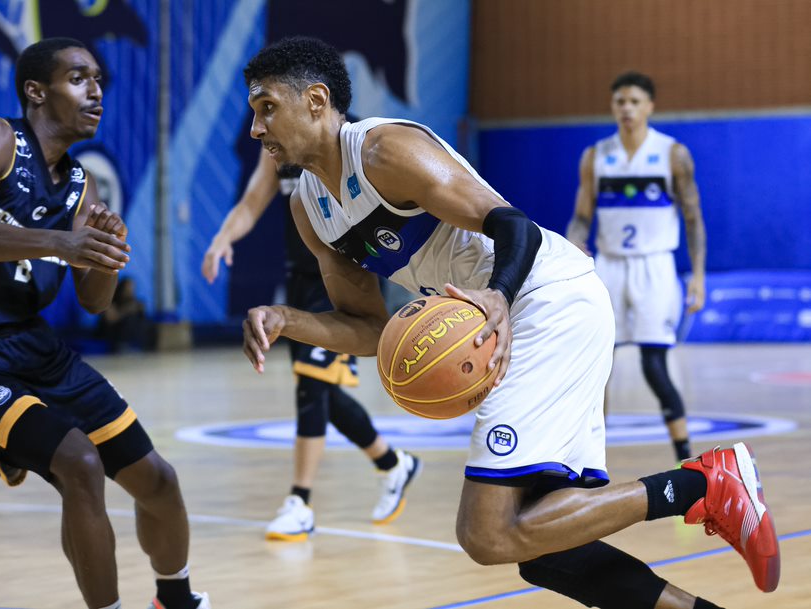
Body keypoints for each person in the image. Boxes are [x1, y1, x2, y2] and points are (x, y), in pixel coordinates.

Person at [240, 36, 779, 608]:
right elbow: (371, 330)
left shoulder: (383, 151)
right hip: (517, 316)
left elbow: (512, 225)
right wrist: (286, 319)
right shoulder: (309, 210)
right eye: (254, 113)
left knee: (487, 533)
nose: (256, 129)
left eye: (267, 107)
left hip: (546, 301)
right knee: (552, 552)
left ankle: (705, 484)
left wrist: (497, 295)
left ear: (317, 101)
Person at [0, 38, 208, 609]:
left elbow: (94, 304)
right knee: (79, 462)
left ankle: (177, 599)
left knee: (158, 480)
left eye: (99, 79)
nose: (95, 90)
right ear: (36, 91)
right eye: (78, 78)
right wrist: (65, 241)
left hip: (37, 349)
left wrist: (103, 256)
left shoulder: (80, 186)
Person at [203, 146, 421, 540]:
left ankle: (299, 502)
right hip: (301, 280)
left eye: (269, 106)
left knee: (310, 388)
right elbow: (253, 201)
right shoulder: (277, 146)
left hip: (340, 276)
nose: (260, 123)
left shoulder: (354, 138)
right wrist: (222, 238)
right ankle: (393, 463)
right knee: (325, 394)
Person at [566, 71, 706, 463]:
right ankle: (591, 457)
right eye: (619, 101)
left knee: (654, 364)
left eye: (634, 101)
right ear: (613, 107)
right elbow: (581, 215)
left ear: (649, 107)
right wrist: (574, 239)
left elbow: (693, 217)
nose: (626, 108)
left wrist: (697, 275)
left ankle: (686, 458)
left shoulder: (671, 153)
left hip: (655, 266)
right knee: (597, 362)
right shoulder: (595, 156)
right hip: (608, 265)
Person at [97, 276, 157, 352]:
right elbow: (111, 319)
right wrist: (126, 310)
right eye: (127, 288)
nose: (130, 290)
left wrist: (140, 310)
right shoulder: (111, 302)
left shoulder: (135, 302)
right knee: (128, 320)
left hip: (133, 339)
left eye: (132, 288)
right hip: (113, 336)